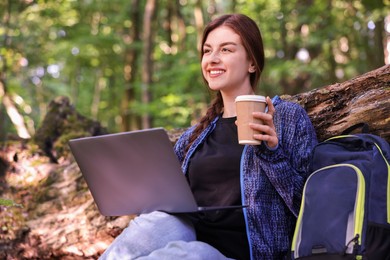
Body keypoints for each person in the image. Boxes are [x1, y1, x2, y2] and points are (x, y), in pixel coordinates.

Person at [100, 13, 318, 260]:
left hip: (246, 254)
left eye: (226, 50)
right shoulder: (194, 136)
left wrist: (272, 154)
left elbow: (309, 209)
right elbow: (168, 204)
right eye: (207, 51)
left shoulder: (286, 119)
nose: (212, 59)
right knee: (154, 223)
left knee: (190, 254)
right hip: (188, 241)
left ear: (252, 63)